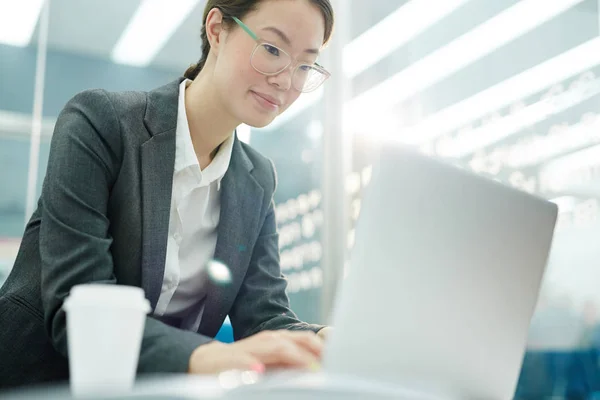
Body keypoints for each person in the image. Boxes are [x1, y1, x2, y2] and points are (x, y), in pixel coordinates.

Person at [0, 0, 334, 388]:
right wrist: (209, 356)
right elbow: (80, 305)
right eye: (273, 49)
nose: (286, 79)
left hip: (162, 389)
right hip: (37, 380)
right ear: (216, 29)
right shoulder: (101, 122)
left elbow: (264, 316)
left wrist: (325, 340)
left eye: (305, 65)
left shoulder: (257, 178)